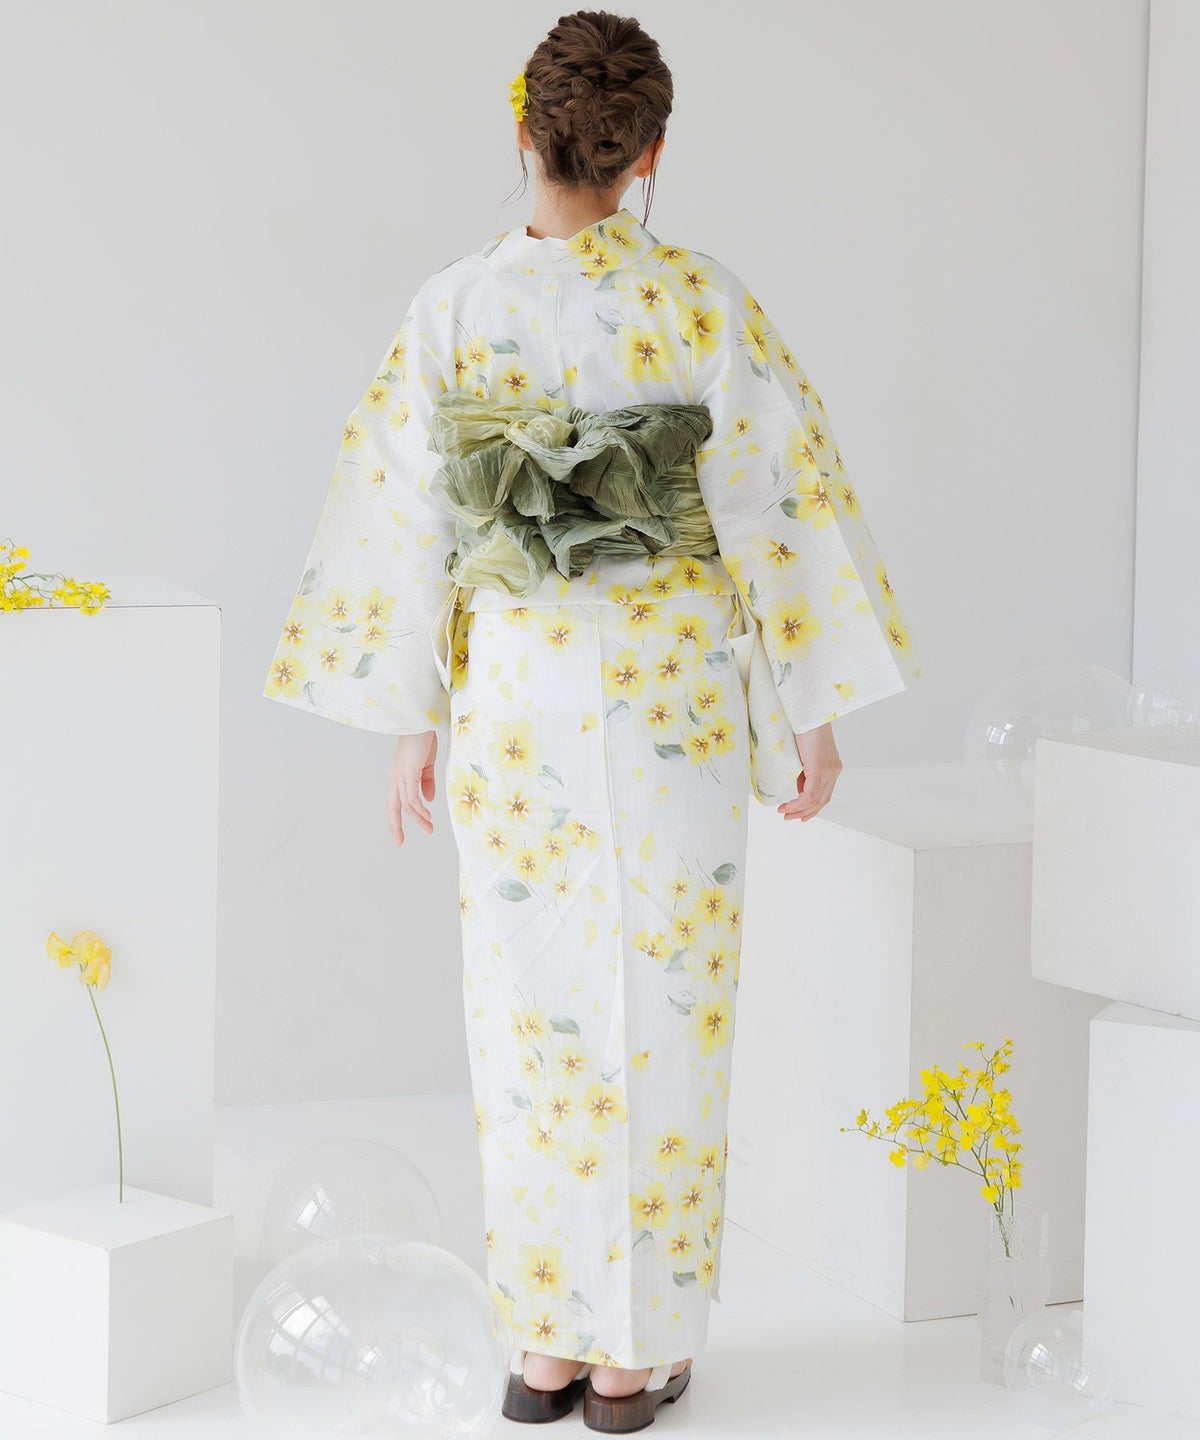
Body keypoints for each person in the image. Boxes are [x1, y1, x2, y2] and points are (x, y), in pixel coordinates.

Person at [262, 8, 922, 1431]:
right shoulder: (699, 301)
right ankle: (635, 1357)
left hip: (517, 694)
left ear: (524, 132)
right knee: (667, 1004)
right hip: (672, 695)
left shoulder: (453, 308)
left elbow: (410, 522)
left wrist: (415, 718)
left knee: (531, 1015)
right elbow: (778, 507)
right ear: (648, 154)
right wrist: (809, 711)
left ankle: (545, 1350)